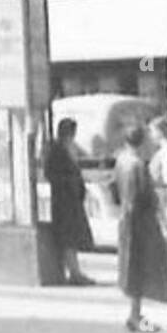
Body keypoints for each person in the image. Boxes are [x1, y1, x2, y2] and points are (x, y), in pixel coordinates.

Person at [114, 125, 167, 333]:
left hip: (127, 220)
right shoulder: (137, 165)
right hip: (139, 222)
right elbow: (142, 196)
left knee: (132, 268)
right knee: (139, 268)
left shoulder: (121, 160)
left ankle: (135, 314)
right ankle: (136, 316)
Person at [45, 117, 94, 285]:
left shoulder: (67, 148)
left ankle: (75, 271)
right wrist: (69, 183)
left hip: (71, 201)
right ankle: (74, 272)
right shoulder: (57, 150)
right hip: (64, 201)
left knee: (72, 237)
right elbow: (52, 174)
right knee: (68, 237)